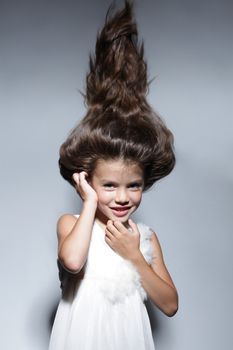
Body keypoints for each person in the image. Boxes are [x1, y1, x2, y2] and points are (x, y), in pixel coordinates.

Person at [48, 1, 178, 349]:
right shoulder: (71, 225)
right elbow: (73, 262)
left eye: (133, 186)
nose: (122, 196)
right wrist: (89, 201)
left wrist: (134, 254)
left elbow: (169, 304)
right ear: (88, 181)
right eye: (109, 185)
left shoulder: (145, 237)